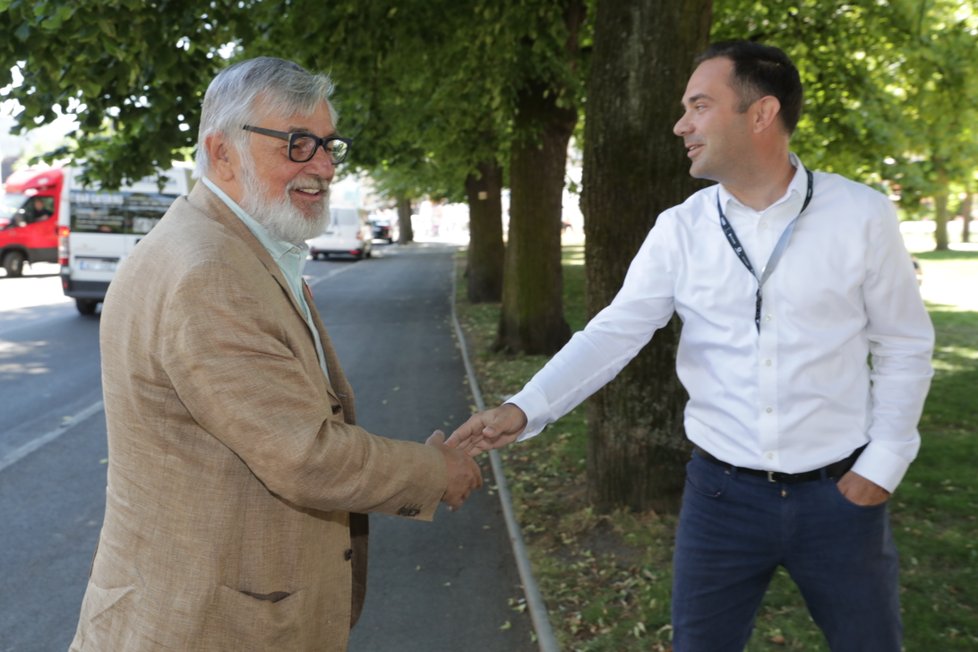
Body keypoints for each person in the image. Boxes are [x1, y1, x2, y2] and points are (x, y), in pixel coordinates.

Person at [449, 40, 934, 651]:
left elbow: (903, 345)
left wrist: (882, 467)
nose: (681, 125)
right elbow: (614, 332)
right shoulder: (680, 228)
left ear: (760, 114)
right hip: (721, 500)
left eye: (699, 106)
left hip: (840, 498)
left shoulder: (862, 215)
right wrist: (525, 409)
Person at [70, 57, 483, 652]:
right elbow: (306, 456)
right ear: (222, 154)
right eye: (296, 143)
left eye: (328, 144)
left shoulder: (227, 243)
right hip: (207, 626)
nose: (322, 165)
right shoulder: (210, 271)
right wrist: (436, 471)